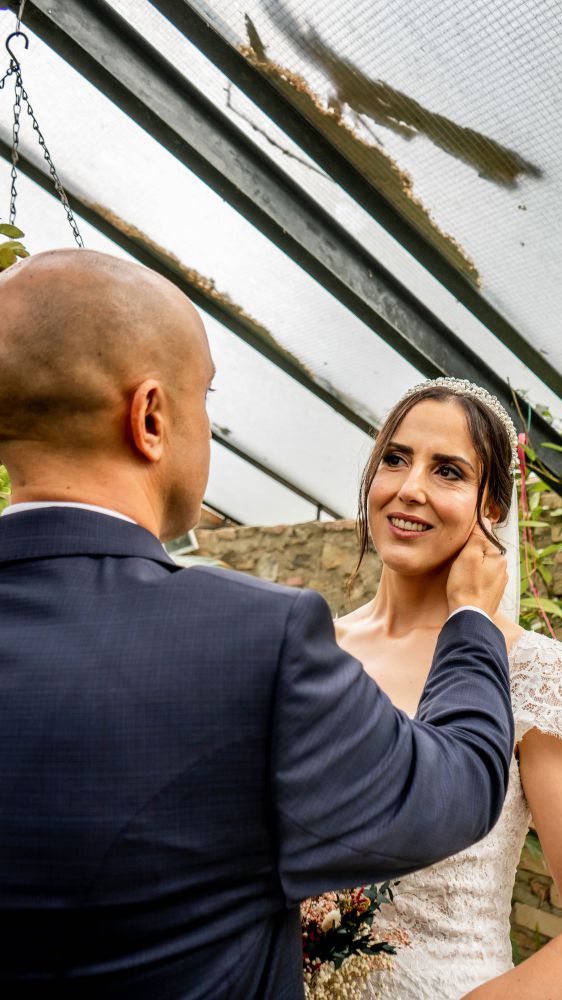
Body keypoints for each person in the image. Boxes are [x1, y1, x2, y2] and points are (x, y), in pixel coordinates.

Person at [0, 249, 515, 999]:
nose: (409, 488)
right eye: (203, 397)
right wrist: (472, 622)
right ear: (150, 417)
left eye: (447, 470)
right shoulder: (256, 641)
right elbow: (456, 786)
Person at [335, 378, 562, 1000]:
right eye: (395, 459)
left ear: (494, 510)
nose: (410, 487)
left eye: (448, 471)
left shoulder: (530, 670)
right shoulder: (315, 648)